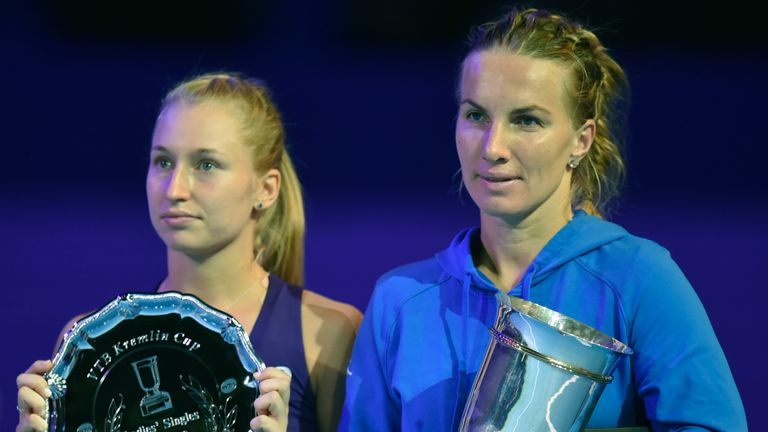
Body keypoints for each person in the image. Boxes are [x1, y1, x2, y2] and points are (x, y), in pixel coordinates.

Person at [342, 8, 747, 431]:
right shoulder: (399, 300)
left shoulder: (639, 278)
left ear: (581, 140)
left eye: (526, 120)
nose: (492, 147)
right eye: (476, 115)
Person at [16, 73, 362, 432]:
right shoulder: (89, 340)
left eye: (206, 164)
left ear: (266, 189)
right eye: (163, 162)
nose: (175, 189)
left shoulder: (329, 332)